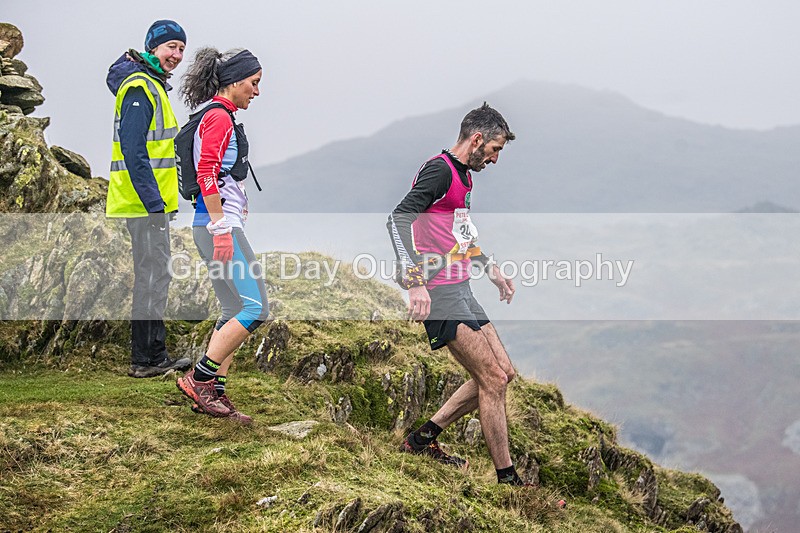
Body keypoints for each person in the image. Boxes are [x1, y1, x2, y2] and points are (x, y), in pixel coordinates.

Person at [387, 103, 527, 485]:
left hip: (462, 286)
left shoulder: (465, 178)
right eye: (495, 149)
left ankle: (422, 439)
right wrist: (415, 280)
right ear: (478, 139)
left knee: (504, 373)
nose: (496, 159)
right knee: (493, 380)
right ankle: (508, 481)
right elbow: (398, 218)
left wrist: (491, 269)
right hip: (440, 292)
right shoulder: (439, 171)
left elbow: (463, 235)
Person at [175, 48, 268, 425]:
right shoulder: (218, 118)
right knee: (256, 308)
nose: (257, 92)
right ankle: (200, 380)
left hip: (213, 224)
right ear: (235, 81)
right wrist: (221, 230)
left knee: (233, 309)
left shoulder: (218, 115)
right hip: (217, 225)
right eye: (254, 83)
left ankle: (214, 393)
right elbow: (207, 175)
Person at [106, 20, 191, 378]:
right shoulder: (140, 86)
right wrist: (155, 203)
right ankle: (147, 359)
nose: (177, 55)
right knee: (153, 276)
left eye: (182, 49)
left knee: (156, 275)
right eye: (171, 46)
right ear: (152, 47)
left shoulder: (153, 85)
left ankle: (152, 355)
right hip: (144, 204)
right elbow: (134, 149)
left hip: (150, 202)